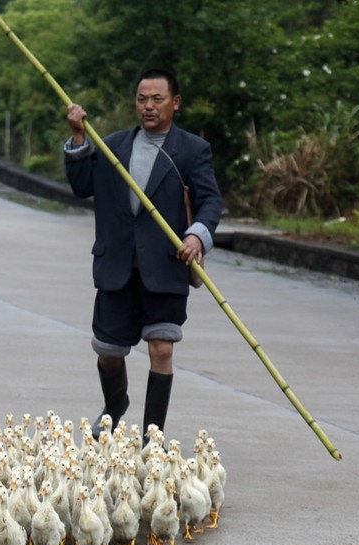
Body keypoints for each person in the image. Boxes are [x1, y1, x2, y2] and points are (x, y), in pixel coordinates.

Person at [64, 68, 222, 439]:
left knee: (162, 348)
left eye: (157, 99)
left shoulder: (193, 150)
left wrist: (197, 236)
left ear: (175, 103)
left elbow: (210, 201)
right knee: (108, 351)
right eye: (141, 99)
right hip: (117, 264)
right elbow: (81, 186)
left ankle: (152, 436)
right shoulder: (111, 146)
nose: (148, 107)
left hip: (165, 267)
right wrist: (78, 137)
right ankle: (115, 404)